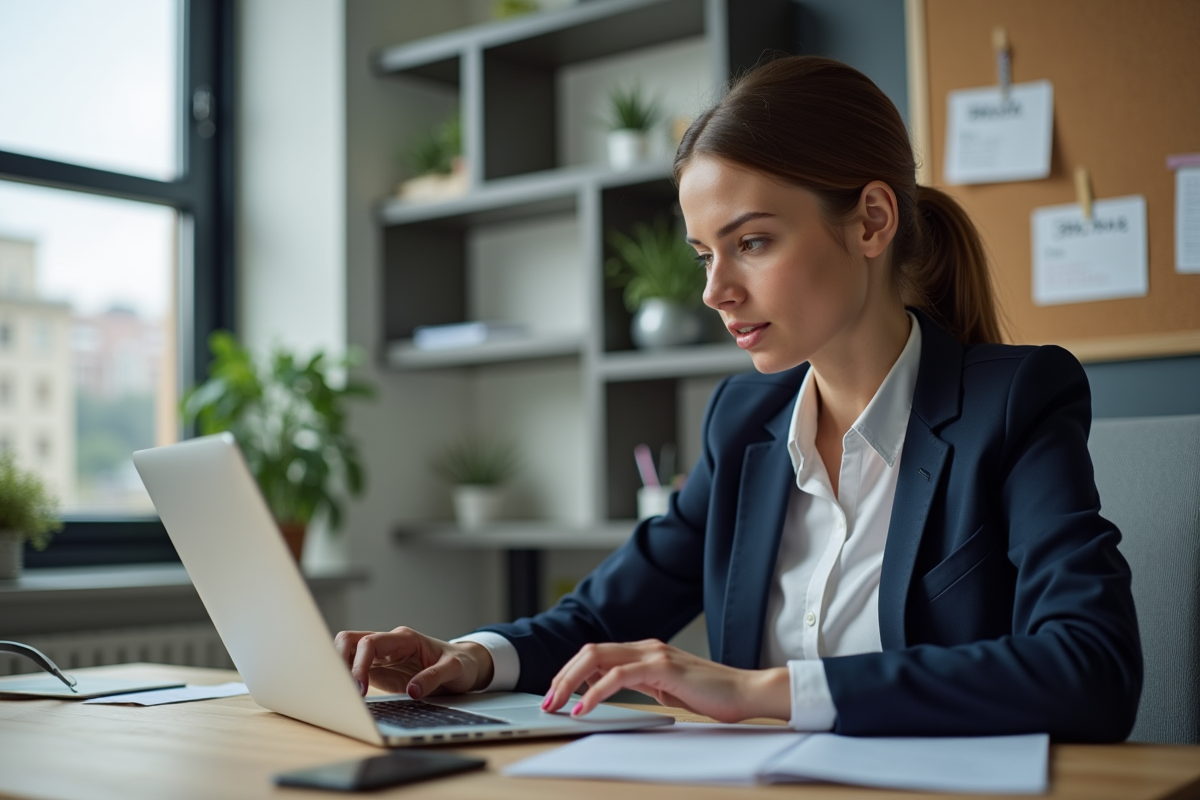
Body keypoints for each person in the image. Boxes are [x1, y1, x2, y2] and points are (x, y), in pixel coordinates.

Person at [335, 55, 1142, 740]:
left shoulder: (1017, 401)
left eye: (752, 242)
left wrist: (761, 692)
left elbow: (1091, 668)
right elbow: (601, 616)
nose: (716, 291)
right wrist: (471, 657)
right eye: (702, 254)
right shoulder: (744, 420)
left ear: (870, 221)